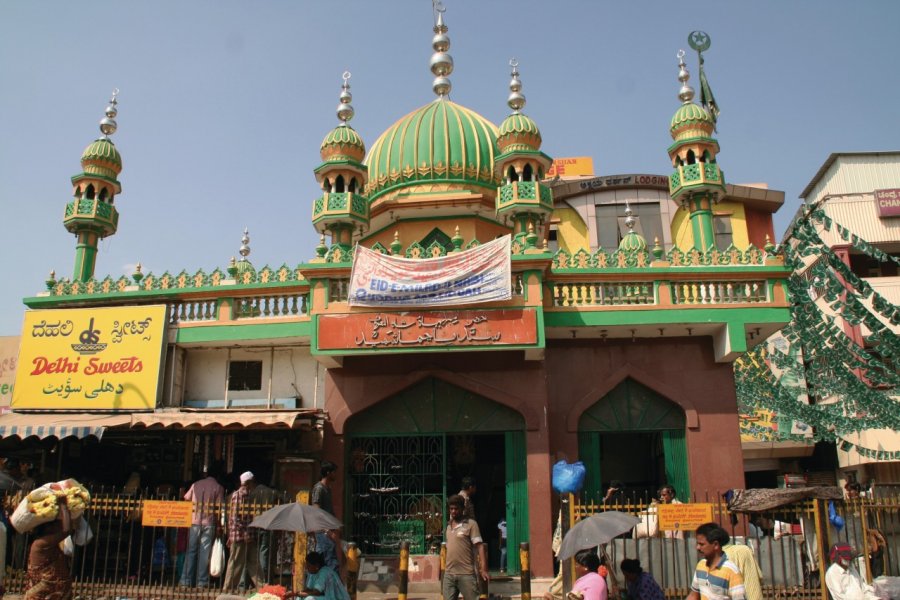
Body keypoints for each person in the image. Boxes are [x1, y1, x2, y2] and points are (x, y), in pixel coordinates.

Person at [179, 466, 225, 588]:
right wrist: (220, 525)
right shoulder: (218, 487)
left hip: (194, 522)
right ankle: (202, 582)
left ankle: (185, 581)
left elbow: (186, 499)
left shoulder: (195, 484)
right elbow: (219, 508)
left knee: (191, 551)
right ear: (218, 476)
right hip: (209, 523)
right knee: (205, 553)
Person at [25, 496, 74, 600]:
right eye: (56, 525)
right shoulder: (41, 544)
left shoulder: (48, 543)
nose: (59, 527)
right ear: (48, 527)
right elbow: (67, 530)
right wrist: (64, 505)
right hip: (43, 594)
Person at [443, 494, 488, 600]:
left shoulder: (471, 524)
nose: (453, 511)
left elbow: (480, 547)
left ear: (462, 509)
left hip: (466, 574)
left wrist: (484, 569)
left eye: (456, 509)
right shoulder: (448, 526)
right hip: (449, 574)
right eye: (451, 509)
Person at [686, 522, 745, 600]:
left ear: (716, 545)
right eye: (697, 543)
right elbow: (693, 596)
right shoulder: (701, 565)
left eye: (702, 544)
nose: (698, 547)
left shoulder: (731, 571)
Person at [223, 471, 261, 591]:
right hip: (240, 536)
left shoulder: (250, 496)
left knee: (254, 563)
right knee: (236, 563)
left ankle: (262, 588)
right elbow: (234, 518)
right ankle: (228, 588)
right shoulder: (238, 496)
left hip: (249, 536)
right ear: (248, 483)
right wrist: (245, 533)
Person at [310, 461, 342, 571]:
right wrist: (327, 530)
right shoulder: (319, 488)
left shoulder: (327, 489)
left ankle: (319, 586)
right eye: (334, 472)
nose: (335, 475)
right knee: (331, 562)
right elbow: (316, 510)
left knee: (320, 562)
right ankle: (334, 587)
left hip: (327, 530)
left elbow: (329, 511)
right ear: (328, 473)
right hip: (323, 531)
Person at [250, 475, 278, 585]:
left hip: (255, 524)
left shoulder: (252, 493)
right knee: (264, 552)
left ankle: (258, 579)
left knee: (254, 553)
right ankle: (264, 579)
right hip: (267, 525)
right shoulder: (272, 493)